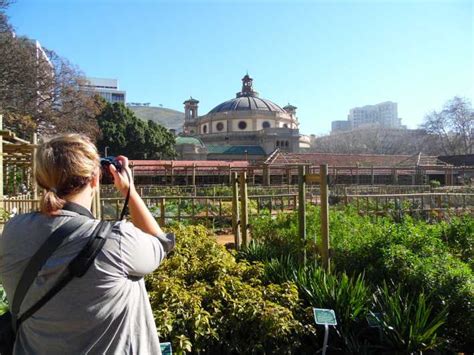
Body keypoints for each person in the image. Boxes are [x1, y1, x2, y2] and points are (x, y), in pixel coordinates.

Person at [0, 134, 175, 354]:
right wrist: (129, 190)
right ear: (95, 178)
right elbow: (160, 243)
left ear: (41, 178)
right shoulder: (115, 241)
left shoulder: (13, 231)